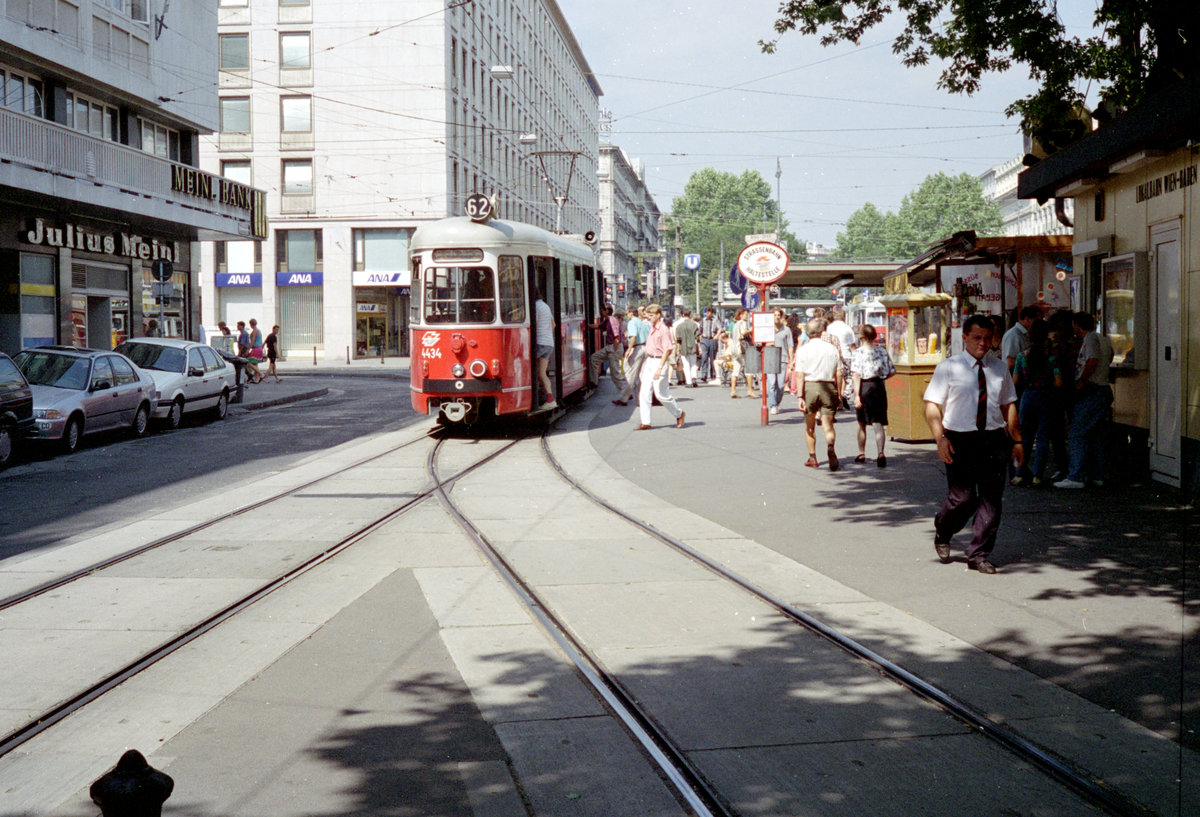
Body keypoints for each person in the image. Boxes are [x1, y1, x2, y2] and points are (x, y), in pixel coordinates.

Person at [923, 314, 1023, 574]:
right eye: (977, 338)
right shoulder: (949, 367)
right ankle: (944, 529)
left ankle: (978, 554)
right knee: (962, 498)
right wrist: (940, 438)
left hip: (992, 439)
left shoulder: (999, 368)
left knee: (991, 499)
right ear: (964, 337)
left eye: (987, 339)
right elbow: (932, 406)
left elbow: (1008, 404)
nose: (982, 343)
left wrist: (1017, 440)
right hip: (960, 438)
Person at [1054, 312, 1113, 489]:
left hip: (1092, 389)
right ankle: (1097, 475)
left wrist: (1083, 381)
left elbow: (1092, 359)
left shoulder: (1090, 339)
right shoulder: (1104, 339)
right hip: (1102, 389)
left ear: (1077, 325)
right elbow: (1108, 358)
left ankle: (1076, 476)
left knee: (1077, 433)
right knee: (1094, 435)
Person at [1011, 319, 1059, 485]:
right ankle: (1038, 475)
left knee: (1024, 437)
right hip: (1046, 397)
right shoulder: (1051, 358)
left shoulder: (1021, 357)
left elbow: (1015, 380)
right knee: (1043, 437)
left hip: (1028, 396)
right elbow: (1058, 382)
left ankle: (1019, 473)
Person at [795, 318, 843, 470]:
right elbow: (839, 373)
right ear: (822, 332)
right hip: (828, 386)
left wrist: (800, 396)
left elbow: (800, 375)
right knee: (828, 426)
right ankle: (830, 447)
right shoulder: (831, 349)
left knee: (809, 426)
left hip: (810, 386)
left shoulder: (803, 350)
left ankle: (812, 457)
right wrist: (839, 394)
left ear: (807, 333)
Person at [850, 324, 895, 466]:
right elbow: (892, 370)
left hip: (865, 386)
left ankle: (861, 453)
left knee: (861, 422)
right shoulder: (882, 351)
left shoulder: (858, 353)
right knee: (878, 422)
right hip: (879, 386)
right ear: (875, 336)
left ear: (861, 336)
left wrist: (857, 395)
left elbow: (856, 375)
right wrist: (881, 377)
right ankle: (880, 453)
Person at [635, 303, 685, 430]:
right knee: (644, 392)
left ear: (658, 315)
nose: (649, 317)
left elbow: (667, 350)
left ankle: (679, 413)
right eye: (648, 315)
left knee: (660, 394)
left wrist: (660, 368)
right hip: (650, 361)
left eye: (651, 315)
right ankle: (645, 422)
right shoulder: (652, 327)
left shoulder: (663, 329)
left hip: (659, 361)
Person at [588, 304, 628, 392]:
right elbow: (598, 326)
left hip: (614, 347)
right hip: (610, 347)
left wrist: (614, 349)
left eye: (602, 311)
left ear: (606, 311)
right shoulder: (608, 320)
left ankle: (626, 391)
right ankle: (594, 382)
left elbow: (616, 337)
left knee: (615, 373)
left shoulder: (612, 321)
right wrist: (588, 325)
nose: (601, 313)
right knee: (594, 358)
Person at [614, 305, 647, 405]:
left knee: (629, 373)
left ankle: (623, 398)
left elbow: (633, 337)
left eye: (627, 313)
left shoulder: (632, 322)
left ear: (631, 313)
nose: (626, 315)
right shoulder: (641, 323)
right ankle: (640, 400)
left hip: (637, 348)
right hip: (645, 348)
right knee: (641, 376)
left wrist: (629, 349)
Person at [766, 309, 793, 414]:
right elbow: (760, 343)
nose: (776, 317)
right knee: (771, 383)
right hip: (770, 358)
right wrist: (767, 344)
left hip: (783, 358)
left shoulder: (786, 330)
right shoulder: (767, 329)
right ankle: (773, 405)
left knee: (781, 385)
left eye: (778, 315)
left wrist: (791, 360)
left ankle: (776, 402)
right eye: (774, 315)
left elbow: (790, 346)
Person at [1002, 306, 1041, 376]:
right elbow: (1010, 362)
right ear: (1027, 319)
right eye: (1037, 320)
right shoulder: (1014, 335)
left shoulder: (1026, 335)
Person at [533, 289, 556, 409]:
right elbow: (553, 325)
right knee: (541, 373)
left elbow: (534, 324)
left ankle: (531, 397)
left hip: (540, 343)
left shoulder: (535, 306)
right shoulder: (545, 306)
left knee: (526, 367)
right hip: (549, 343)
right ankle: (550, 399)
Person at [730, 308, 758, 398]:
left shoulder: (735, 324)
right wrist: (751, 330)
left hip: (734, 349)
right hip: (742, 349)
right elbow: (743, 333)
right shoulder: (742, 323)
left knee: (736, 370)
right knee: (748, 369)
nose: (747, 316)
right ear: (741, 315)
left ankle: (733, 391)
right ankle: (750, 390)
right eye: (745, 314)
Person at [672, 308, 700, 387]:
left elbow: (678, 339)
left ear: (683, 315)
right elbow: (698, 337)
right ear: (690, 315)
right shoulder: (694, 325)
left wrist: (678, 349)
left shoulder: (679, 326)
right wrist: (700, 348)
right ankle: (694, 378)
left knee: (686, 365)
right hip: (693, 346)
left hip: (683, 347)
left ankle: (689, 381)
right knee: (693, 363)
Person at [698, 307, 722, 383]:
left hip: (712, 340)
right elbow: (700, 331)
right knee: (704, 357)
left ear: (712, 313)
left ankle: (713, 374)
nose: (708, 314)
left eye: (709, 312)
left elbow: (720, 329)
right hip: (704, 340)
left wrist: (717, 335)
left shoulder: (715, 320)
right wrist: (700, 339)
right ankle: (704, 375)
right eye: (707, 312)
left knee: (712, 358)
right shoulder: (703, 320)